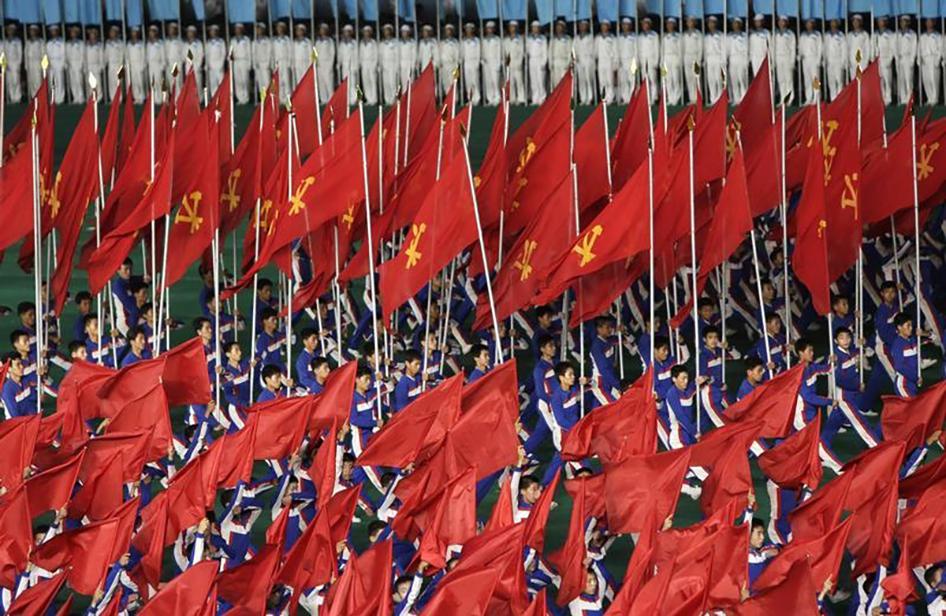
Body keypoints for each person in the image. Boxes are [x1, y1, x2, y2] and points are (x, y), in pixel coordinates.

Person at [891, 312, 921, 398]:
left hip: (912, 383)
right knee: (912, 408)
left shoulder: (912, 340)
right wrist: (915, 377)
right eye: (908, 325)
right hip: (903, 384)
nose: (911, 328)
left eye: (911, 325)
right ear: (899, 327)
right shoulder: (897, 344)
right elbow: (899, 366)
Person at [872, 16, 896, 105]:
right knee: (880, 80)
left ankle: (888, 98)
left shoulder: (890, 34)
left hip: (886, 58)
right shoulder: (875, 34)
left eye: (882, 21)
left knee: (887, 80)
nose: (881, 23)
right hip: (878, 59)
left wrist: (889, 59)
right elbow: (873, 47)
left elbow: (892, 48)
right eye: (879, 21)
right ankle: (882, 98)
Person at [1, 354, 33, 419]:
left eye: (21, 363)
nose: (21, 366)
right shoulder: (7, 390)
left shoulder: (26, 381)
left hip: (30, 419)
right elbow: (15, 415)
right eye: (18, 365)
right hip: (17, 425)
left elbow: (32, 401)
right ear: (9, 369)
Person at [799, 18, 823, 105]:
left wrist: (818, 60)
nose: (809, 25)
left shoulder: (817, 34)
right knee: (807, 80)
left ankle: (817, 97)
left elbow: (820, 47)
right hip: (805, 60)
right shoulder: (803, 35)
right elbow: (800, 46)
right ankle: (809, 97)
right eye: (807, 23)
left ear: (813, 24)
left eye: (810, 23)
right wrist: (800, 54)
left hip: (814, 59)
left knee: (815, 79)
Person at [773, 15, 796, 104]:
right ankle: (783, 97)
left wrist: (792, 61)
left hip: (787, 57)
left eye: (783, 21)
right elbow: (773, 47)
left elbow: (792, 48)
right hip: (778, 58)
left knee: (788, 79)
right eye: (779, 21)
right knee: (781, 79)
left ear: (786, 22)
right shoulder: (775, 34)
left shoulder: (790, 34)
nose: (781, 23)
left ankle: (790, 97)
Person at [727, 17, 749, 103]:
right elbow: (727, 49)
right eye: (733, 23)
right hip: (732, 59)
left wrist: (746, 60)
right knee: (733, 80)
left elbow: (747, 49)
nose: (734, 25)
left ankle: (744, 99)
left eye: (736, 23)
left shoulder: (745, 36)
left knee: (742, 79)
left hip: (741, 58)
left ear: (740, 24)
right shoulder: (729, 36)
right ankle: (736, 99)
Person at [661, 17, 683, 105]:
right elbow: (662, 49)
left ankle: (676, 98)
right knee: (668, 79)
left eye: (671, 24)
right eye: (668, 24)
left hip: (675, 57)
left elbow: (680, 49)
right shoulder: (664, 36)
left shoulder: (678, 36)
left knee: (676, 79)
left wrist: (679, 60)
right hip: (666, 58)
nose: (669, 25)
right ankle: (670, 98)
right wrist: (661, 61)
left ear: (674, 25)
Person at [703, 16, 725, 103]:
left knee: (718, 79)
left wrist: (723, 60)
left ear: (715, 23)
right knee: (711, 79)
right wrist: (705, 59)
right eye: (709, 23)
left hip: (717, 58)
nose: (710, 24)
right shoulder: (706, 36)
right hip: (709, 58)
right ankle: (712, 98)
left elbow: (723, 48)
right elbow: (705, 49)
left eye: (712, 22)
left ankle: (719, 98)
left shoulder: (720, 35)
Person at [897, 15, 918, 104]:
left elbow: (914, 47)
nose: (903, 23)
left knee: (908, 79)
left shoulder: (912, 34)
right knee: (901, 79)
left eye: (905, 21)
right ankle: (903, 98)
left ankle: (910, 98)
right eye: (901, 21)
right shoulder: (897, 34)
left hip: (908, 58)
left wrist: (912, 60)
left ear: (908, 22)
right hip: (900, 58)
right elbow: (895, 46)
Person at [638, 18, 659, 103]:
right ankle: (647, 97)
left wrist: (656, 61)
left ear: (649, 25)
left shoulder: (654, 35)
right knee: (645, 80)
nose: (644, 26)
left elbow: (657, 48)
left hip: (651, 59)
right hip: (643, 60)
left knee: (653, 79)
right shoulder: (640, 36)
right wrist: (638, 61)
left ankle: (654, 97)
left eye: (646, 24)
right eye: (643, 24)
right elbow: (639, 49)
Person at [480, 21, 502, 106]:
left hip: (494, 61)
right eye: (488, 28)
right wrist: (482, 59)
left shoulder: (497, 39)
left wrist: (498, 63)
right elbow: (482, 51)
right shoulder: (484, 39)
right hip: (486, 63)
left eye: (491, 28)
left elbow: (499, 52)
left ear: (493, 29)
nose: (489, 30)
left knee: (495, 81)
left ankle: (497, 98)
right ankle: (490, 98)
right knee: (488, 81)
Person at [617, 18, 638, 103]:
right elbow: (617, 50)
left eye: (627, 24)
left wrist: (636, 62)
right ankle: (626, 98)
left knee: (631, 80)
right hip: (622, 61)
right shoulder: (619, 37)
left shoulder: (634, 37)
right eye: (623, 24)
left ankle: (632, 98)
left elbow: (636, 50)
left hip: (631, 60)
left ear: (630, 26)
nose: (625, 26)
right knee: (623, 81)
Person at [825, 19, 847, 100]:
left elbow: (844, 50)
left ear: (838, 23)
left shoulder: (841, 35)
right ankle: (833, 99)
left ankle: (840, 99)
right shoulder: (827, 35)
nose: (833, 23)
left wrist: (843, 63)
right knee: (831, 82)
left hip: (838, 60)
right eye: (831, 21)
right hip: (830, 62)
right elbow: (825, 48)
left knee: (839, 81)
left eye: (834, 21)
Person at [504, 21, 526, 105]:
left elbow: (521, 52)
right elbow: (504, 52)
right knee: (511, 82)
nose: (512, 28)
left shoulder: (519, 39)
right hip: (509, 63)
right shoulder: (506, 40)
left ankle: (521, 98)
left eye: (514, 27)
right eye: (510, 27)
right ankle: (512, 98)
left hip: (517, 62)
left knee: (519, 81)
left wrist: (520, 62)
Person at [682, 16, 702, 104]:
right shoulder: (684, 34)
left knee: (696, 78)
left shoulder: (698, 34)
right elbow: (682, 47)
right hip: (687, 57)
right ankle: (692, 98)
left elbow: (700, 47)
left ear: (695, 23)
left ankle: (698, 98)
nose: (690, 23)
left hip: (695, 56)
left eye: (691, 21)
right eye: (688, 22)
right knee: (689, 78)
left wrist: (699, 59)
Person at [526, 21, 548, 104]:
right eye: (533, 27)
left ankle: (542, 98)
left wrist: (543, 63)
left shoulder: (543, 38)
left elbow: (545, 51)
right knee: (533, 81)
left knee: (540, 80)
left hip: (539, 60)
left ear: (539, 28)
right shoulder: (529, 38)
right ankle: (535, 99)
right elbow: (527, 50)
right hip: (532, 60)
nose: (534, 29)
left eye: (536, 27)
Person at [574, 20, 595, 104]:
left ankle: (590, 98)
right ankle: (583, 98)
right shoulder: (576, 38)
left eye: (584, 25)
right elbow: (574, 49)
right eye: (581, 25)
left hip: (588, 59)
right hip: (579, 60)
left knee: (588, 79)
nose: (582, 27)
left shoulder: (590, 37)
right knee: (581, 80)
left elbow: (594, 50)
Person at [231, 23, 252, 103]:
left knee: (245, 80)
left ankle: (246, 97)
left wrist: (249, 64)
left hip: (244, 61)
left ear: (242, 29)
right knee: (237, 80)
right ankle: (240, 98)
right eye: (236, 29)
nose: (237, 30)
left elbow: (249, 52)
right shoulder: (232, 40)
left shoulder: (246, 39)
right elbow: (230, 52)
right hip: (236, 62)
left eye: (239, 28)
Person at [461, 23, 481, 105]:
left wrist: (477, 62)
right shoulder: (463, 41)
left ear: (473, 30)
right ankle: (470, 98)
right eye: (467, 29)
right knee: (468, 81)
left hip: (474, 61)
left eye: (470, 29)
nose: (468, 31)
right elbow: (462, 52)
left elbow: (478, 52)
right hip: (466, 62)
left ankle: (477, 98)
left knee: (475, 80)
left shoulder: (476, 40)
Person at [272, 22, 293, 103]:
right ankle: (281, 98)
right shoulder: (274, 40)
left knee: (286, 80)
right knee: (279, 81)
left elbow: (290, 51)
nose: (279, 29)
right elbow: (272, 53)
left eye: (281, 27)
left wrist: (289, 63)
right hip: (277, 62)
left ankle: (288, 98)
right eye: (278, 28)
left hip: (285, 61)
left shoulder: (287, 40)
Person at [65, 25, 87, 104]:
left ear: (77, 33)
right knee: (72, 82)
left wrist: (81, 65)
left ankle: (81, 97)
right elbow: (66, 55)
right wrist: (67, 64)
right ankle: (75, 97)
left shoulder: (80, 43)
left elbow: (82, 55)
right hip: (71, 64)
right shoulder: (68, 43)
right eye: (71, 32)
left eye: (74, 32)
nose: (72, 34)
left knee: (79, 81)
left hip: (78, 64)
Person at [45, 25, 65, 105]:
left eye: (55, 31)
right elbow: (47, 54)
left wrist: (62, 64)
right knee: (51, 81)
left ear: (57, 31)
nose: (53, 32)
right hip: (51, 63)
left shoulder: (61, 42)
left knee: (59, 81)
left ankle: (60, 98)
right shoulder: (49, 43)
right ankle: (52, 98)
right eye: (52, 31)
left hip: (58, 62)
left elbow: (63, 54)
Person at [379, 24, 398, 105]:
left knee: (392, 82)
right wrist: (380, 65)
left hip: (392, 65)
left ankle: (393, 99)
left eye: (387, 30)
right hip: (384, 65)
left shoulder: (395, 42)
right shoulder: (382, 43)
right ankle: (387, 100)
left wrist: (397, 67)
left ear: (390, 31)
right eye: (384, 30)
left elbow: (397, 55)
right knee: (386, 83)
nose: (385, 32)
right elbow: (380, 55)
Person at [4, 24, 24, 103]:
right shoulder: (4, 41)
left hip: (15, 62)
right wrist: (4, 64)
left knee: (16, 80)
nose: (10, 31)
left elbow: (20, 53)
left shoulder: (17, 41)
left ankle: (17, 97)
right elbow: (2, 53)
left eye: (12, 30)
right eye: (9, 30)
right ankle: (11, 97)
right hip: (7, 63)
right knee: (9, 81)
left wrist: (19, 63)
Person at [126, 27, 147, 103]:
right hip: (132, 65)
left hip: (139, 64)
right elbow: (127, 56)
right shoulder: (129, 44)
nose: (133, 34)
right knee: (134, 82)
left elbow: (144, 56)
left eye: (135, 32)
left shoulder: (141, 44)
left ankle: (142, 97)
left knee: (140, 81)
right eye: (132, 32)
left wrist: (142, 66)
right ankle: (136, 97)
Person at [550, 20, 572, 90]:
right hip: (555, 62)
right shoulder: (553, 39)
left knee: (564, 81)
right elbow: (550, 52)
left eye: (560, 27)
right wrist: (550, 63)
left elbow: (570, 52)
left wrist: (568, 63)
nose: (559, 29)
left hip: (564, 62)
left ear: (563, 28)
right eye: (557, 27)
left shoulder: (568, 39)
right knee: (556, 81)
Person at [360, 26, 379, 105]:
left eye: (367, 31)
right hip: (364, 64)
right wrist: (360, 63)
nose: (366, 33)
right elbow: (360, 54)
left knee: (372, 81)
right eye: (365, 31)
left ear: (370, 33)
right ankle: (368, 99)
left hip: (371, 63)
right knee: (366, 82)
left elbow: (376, 54)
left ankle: (374, 99)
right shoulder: (361, 42)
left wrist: (375, 64)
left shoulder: (373, 42)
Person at [25, 24, 44, 98]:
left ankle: (39, 96)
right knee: (31, 80)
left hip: (37, 62)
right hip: (30, 63)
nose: (32, 32)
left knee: (38, 80)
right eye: (31, 30)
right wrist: (26, 65)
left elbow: (43, 53)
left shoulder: (40, 41)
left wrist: (43, 65)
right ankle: (33, 96)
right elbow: (25, 54)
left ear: (37, 31)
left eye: (34, 30)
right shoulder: (28, 42)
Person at [253, 23, 272, 95]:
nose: (258, 30)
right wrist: (254, 63)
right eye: (257, 29)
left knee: (267, 81)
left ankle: (269, 97)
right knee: (260, 83)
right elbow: (254, 53)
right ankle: (263, 98)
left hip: (265, 63)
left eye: (259, 29)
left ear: (263, 30)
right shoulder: (255, 41)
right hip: (258, 64)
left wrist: (268, 63)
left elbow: (269, 52)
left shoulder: (267, 40)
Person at [164, 22, 185, 92]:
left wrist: (180, 64)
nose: (170, 31)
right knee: (170, 81)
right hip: (169, 63)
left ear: (175, 30)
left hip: (176, 63)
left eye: (172, 29)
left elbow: (183, 54)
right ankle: (173, 99)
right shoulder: (166, 41)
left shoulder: (179, 41)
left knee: (178, 81)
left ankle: (178, 99)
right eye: (169, 29)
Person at [184, 26, 204, 92]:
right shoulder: (185, 44)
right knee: (189, 85)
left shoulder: (198, 43)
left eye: (190, 32)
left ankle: (199, 100)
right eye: (188, 32)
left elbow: (201, 56)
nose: (189, 34)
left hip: (196, 66)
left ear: (194, 33)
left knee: (197, 84)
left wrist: (197, 66)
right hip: (188, 66)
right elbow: (183, 56)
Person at [146, 25, 166, 91]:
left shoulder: (160, 43)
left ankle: (159, 99)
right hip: (151, 65)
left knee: (158, 82)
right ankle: (153, 99)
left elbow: (163, 55)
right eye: (150, 31)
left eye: (152, 31)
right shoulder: (148, 43)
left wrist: (162, 67)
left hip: (157, 64)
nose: (151, 33)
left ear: (156, 32)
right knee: (152, 82)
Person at [397, 24, 416, 93]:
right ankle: (404, 95)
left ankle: (411, 96)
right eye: (402, 32)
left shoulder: (412, 42)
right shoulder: (399, 43)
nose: (403, 33)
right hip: (402, 63)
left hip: (409, 63)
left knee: (410, 80)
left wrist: (412, 65)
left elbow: (414, 55)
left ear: (408, 32)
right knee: (403, 81)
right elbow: (398, 54)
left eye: (405, 32)